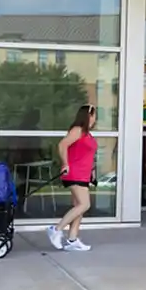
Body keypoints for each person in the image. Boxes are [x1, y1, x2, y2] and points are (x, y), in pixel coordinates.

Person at [47, 105, 98, 252]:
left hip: (84, 174)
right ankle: (56, 229)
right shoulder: (78, 130)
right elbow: (62, 144)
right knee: (84, 204)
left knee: (79, 208)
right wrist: (65, 163)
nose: (95, 119)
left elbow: (87, 155)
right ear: (88, 116)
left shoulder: (87, 134)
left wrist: (92, 171)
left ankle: (72, 240)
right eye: (93, 115)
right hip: (74, 172)